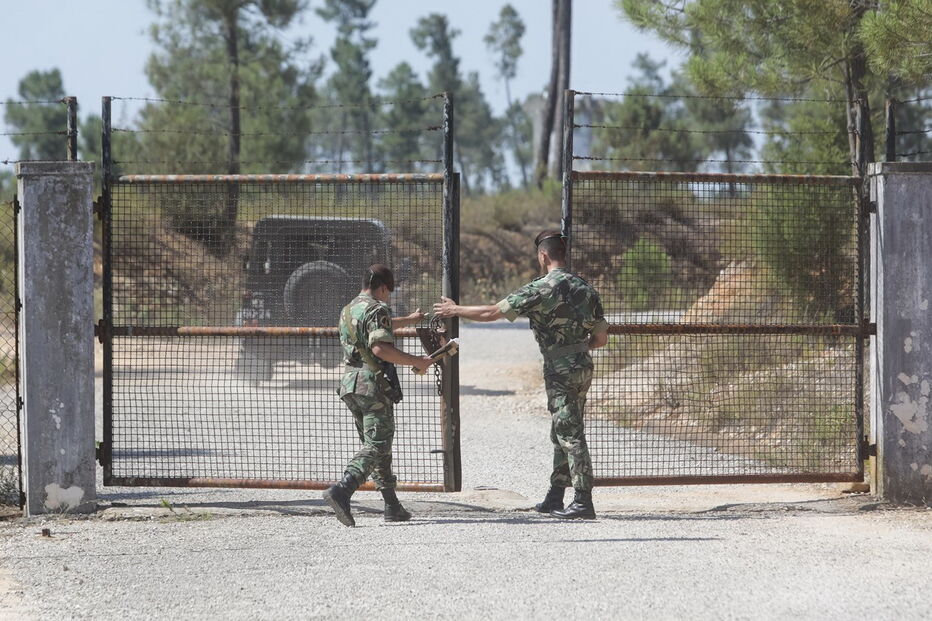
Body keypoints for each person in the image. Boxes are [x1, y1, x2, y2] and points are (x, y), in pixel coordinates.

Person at [433, 230, 609, 519]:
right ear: (563, 254)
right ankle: (555, 496)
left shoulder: (540, 288)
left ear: (542, 255)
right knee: (562, 428)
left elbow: (493, 312)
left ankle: (582, 500)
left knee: (569, 433)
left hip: (558, 368)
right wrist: (577, 349)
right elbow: (601, 339)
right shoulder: (586, 289)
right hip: (582, 364)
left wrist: (455, 310)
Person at [323, 264, 435, 527]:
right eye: (388, 292)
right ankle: (343, 488)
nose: (388, 297)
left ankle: (392, 505)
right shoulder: (377, 307)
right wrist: (416, 361)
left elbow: (375, 326)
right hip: (372, 385)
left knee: (376, 446)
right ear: (383, 287)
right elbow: (380, 348)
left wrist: (409, 320)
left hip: (351, 384)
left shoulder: (350, 308)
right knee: (377, 445)